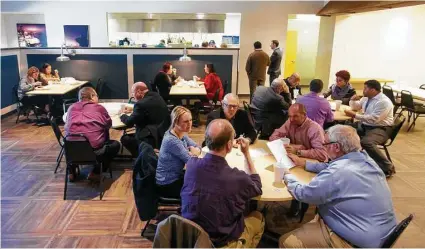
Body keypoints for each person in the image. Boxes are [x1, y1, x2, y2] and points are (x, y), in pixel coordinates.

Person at [280, 125, 397, 248]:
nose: (323, 148)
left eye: (325, 144)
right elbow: (331, 167)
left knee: (286, 242)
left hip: (354, 241)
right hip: (380, 233)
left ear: (335, 147)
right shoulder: (366, 159)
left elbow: (304, 194)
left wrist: (287, 176)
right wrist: (304, 163)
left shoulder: (339, 171)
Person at [182, 119, 264, 248]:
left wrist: (196, 155)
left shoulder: (191, 165)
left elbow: (196, 159)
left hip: (191, 236)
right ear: (229, 145)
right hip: (220, 243)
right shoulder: (237, 178)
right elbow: (257, 187)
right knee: (258, 217)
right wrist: (246, 153)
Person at [65, 87, 120, 181]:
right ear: (92, 96)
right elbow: (108, 124)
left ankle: (71, 172)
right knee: (115, 145)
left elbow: (67, 125)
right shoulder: (99, 108)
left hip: (71, 151)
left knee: (71, 139)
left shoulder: (71, 107)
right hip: (93, 152)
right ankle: (96, 172)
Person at [344, 79, 395, 177]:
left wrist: (355, 116)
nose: (363, 90)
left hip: (381, 128)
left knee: (367, 142)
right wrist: (353, 100)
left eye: (365, 88)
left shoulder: (383, 102)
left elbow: (374, 119)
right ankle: (351, 160)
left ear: (373, 90)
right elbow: (356, 107)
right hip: (366, 125)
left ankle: (387, 167)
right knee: (343, 130)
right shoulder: (367, 98)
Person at [156, 106, 201, 198]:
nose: (190, 124)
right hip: (167, 184)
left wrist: (195, 152)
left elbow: (197, 146)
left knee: (202, 181)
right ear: (176, 122)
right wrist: (195, 153)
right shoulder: (171, 140)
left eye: (191, 120)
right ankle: (190, 210)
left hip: (177, 176)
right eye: (185, 121)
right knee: (202, 189)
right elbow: (192, 163)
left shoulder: (181, 133)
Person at [120, 82, 170, 157]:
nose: (132, 96)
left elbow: (129, 122)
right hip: (162, 135)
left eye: (133, 93)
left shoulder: (140, 104)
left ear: (139, 91)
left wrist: (122, 114)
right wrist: (133, 109)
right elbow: (150, 108)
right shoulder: (156, 95)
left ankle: (142, 157)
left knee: (125, 139)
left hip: (149, 138)